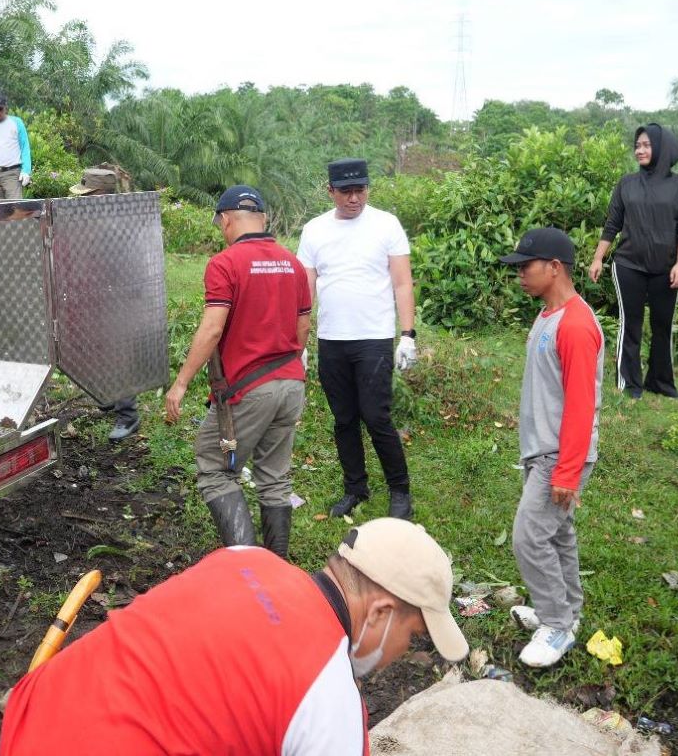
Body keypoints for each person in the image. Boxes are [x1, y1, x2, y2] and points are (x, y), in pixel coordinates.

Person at [0, 518, 468, 755]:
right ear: (383, 612)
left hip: (33, 720)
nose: (405, 652)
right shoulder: (329, 699)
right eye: (415, 634)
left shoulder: (245, 557)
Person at [165, 185, 311, 557]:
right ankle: (275, 566)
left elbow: (213, 328)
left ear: (226, 220)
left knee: (214, 467)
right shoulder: (292, 263)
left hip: (250, 389)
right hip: (291, 383)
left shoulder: (225, 263)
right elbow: (303, 327)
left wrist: (180, 383)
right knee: (275, 478)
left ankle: (247, 567)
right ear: (262, 219)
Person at [498, 227, 603, 668]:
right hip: (542, 449)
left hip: (560, 454)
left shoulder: (576, 325)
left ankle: (556, 625)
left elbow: (582, 405)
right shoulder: (548, 316)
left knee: (528, 537)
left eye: (527, 266)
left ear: (554, 267)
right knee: (557, 533)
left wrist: (566, 471)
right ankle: (566, 612)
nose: (520, 274)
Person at [297, 158, 418, 521]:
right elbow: (306, 291)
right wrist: (297, 344)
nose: (354, 198)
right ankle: (355, 488)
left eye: (360, 190)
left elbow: (402, 282)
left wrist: (408, 335)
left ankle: (400, 490)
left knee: (375, 415)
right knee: (344, 418)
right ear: (330, 191)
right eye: (346, 191)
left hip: (374, 337)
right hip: (332, 339)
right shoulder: (314, 230)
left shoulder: (386, 224)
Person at [589, 123, 678, 399]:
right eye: (637, 145)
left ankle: (660, 382)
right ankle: (629, 384)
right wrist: (598, 258)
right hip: (628, 266)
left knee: (663, 324)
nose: (640, 150)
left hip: (667, 269)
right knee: (631, 324)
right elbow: (612, 224)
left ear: (662, 148)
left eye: (646, 145)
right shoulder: (626, 184)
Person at [69, 165, 140, 440]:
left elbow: (127, 268)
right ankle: (110, 398)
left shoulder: (114, 225)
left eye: (86, 195)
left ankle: (128, 416)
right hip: (98, 296)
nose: (81, 200)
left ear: (100, 195)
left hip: (119, 299)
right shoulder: (94, 221)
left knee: (117, 353)